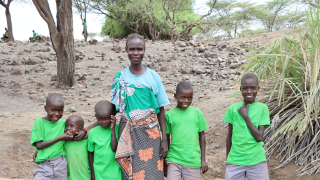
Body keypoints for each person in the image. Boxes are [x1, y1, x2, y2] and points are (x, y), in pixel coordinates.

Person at [110, 33, 170, 179]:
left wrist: (164, 139)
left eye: (139, 49)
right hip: (127, 134)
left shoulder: (153, 76)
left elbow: (160, 109)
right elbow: (114, 109)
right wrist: (89, 128)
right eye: (132, 49)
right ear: (126, 50)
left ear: (144, 50)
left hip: (151, 134)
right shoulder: (120, 77)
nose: (135, 53)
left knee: (153, 174)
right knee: (130, 174)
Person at [223, 73, 270, 180]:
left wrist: (246, 116)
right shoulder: (233, 109)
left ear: (258, 88)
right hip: (235, 161)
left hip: (256, 160)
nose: (249, 91)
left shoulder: (263, 108)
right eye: (245, 88)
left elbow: (259, 137)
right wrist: (228, 159)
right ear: (240, 89)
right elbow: (229, 136)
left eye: (253, 88)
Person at [165, 81, 209, 180]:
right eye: (183, 97)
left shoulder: (197, 113)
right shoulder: (169, 115)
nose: (186, 101)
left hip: (192, 161)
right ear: (175, 96)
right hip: (174, 160)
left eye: (190, 98)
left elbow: (202, 136)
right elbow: (166, 140)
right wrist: (165, 162)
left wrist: (203, 160)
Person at [30, 93, 73, 180]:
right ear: (46, 108)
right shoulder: (39, 122)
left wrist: (83, 132)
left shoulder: (63, 124)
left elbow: (75, 132)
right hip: (43, 165)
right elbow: (39, 145)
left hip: (60, 163)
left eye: (60, 110)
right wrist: (59, 138)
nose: (57, 114)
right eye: (53, 110)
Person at [88, 100, 122, 180]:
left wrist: (113, 129)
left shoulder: (117, 129)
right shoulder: (92, 132)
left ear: (112, 116)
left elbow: (114, 148)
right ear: (96, 117)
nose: (104, 122)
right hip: (99, 171)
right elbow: (90, 152)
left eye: (107, 118)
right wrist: (93, 172)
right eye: (100, 119)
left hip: (114, 171)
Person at [64, 115, 90, 180]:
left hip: (86, 176)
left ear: (81, 129)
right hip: (70, 177)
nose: (68, 128)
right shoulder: (64, 142)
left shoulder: (86, 141)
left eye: (72, 126)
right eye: (66, 126)